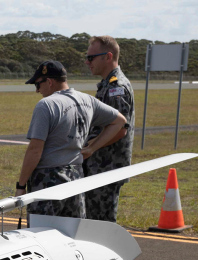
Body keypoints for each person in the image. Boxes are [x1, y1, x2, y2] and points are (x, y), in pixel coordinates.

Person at [15, 60, 126, 219]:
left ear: (50, 82)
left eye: (38, 85)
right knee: (73, 235)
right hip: (76, 176)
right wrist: (92, 148)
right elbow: (120, 121)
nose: (37, 90)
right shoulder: (88, 100)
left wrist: (21, 185)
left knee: (41, 235)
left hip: (47, 179)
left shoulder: (46, 105)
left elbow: (34, 150)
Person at [82, 36, 135, 222]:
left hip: (106, 167)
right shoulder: (107, 84)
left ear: (108, 56)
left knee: (101, 225)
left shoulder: (116, 87)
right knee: (94, 222)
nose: (87, 62)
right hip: (100, 167)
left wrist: (91, 149)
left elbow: (120, 128)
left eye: (91, 57)